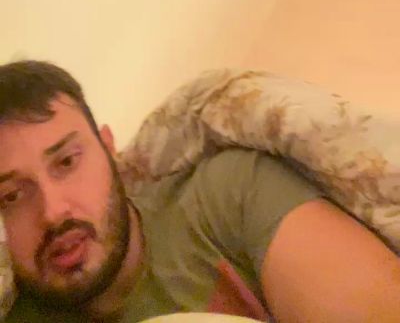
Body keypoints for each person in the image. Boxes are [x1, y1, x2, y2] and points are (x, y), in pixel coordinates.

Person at [0, 62, 400, 323]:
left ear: (109, 150)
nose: (53, 211)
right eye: (12, 196)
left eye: (67, 162)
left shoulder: (228, 195)